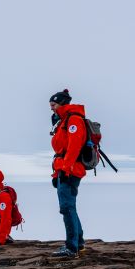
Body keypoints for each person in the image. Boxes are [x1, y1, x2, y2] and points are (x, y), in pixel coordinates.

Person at [49, 89, 87, 258]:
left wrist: (65, 170)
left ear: (62, 103)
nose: (51, 108)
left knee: (67, 208)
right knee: (69, 207)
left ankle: (71, 248)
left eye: (53, 105)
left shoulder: (73, 120)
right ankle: (78, 243)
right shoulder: (63, 121)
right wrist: (56, 174)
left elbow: (73, 148)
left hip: (70, 170)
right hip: (64, 169)